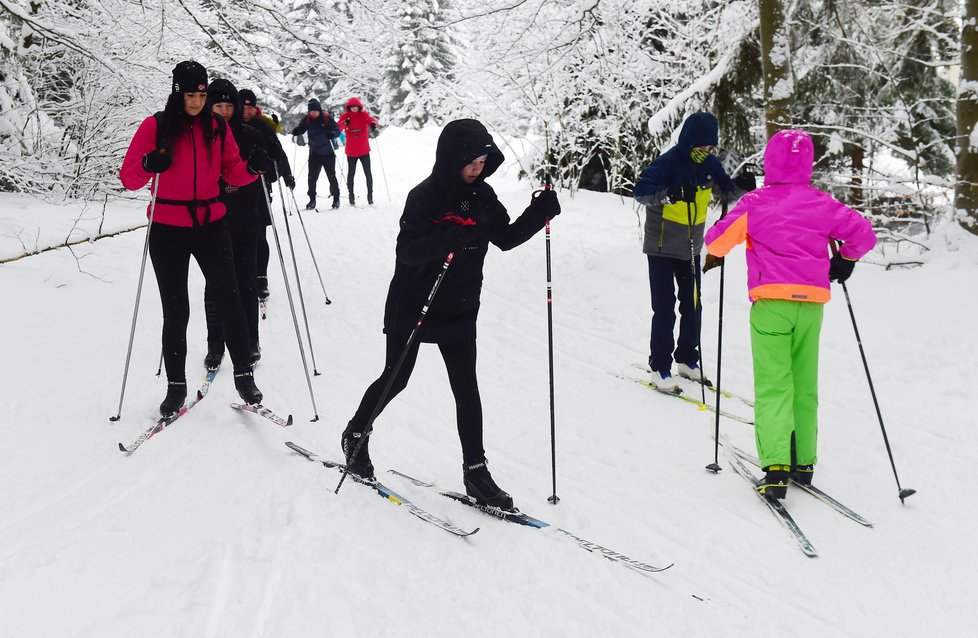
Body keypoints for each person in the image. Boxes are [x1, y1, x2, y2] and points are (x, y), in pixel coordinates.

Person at [341, 119, 561, 511]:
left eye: (482, 161)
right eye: (470, 162)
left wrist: (539, 212)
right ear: (450, 160)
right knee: (397, 378)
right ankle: (356, 433)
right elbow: (406, 250)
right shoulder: (424, 196)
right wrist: (445, 237)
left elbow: (505, 238)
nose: (477, 169)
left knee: (466, 389)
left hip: (459, 306)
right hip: (415, 304)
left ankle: (475, 471)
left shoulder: (484, 196)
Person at [704, 129, 877, 498]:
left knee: (773, 386)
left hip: (771, 305)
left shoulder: (756, 202)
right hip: (811, 305)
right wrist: (844, 260)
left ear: (770, 162)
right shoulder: (822, 203)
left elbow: (715, 242)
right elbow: (863, 234)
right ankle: (804, 463)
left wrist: (732, 208)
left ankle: (777, 468)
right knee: (804, 384)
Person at [119, 61, 267, 415]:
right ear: (177, 93)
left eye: (202, 95)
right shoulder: (156, 126)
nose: (198, 102)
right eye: (191, 95)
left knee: (229, 297)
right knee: (176, 309)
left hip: (210, 224)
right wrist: (149, 165)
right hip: (168, 227)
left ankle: (244, 375)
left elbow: (230, 169)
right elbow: (128, 177)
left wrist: (251, 168)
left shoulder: (215, 126)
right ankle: (175, 387)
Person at [633, 112, 752, 392]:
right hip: (661, 247)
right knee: (664, 309)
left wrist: (741, 186)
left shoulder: (710, 165)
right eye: (701, 147)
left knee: (693, 306)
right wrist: (669, 194)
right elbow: (641, 191)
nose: (707, 152)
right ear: (688, 142)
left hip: (691, 248)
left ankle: (687, 359)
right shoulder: (667, 163)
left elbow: (726, 191)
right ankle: (660, 368)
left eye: (710, 148)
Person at [202, 79, 265, 370]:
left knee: (246, 284)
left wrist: (265, 163)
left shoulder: (250, 134)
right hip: (212, 222)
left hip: (245, 221)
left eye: (229, 106)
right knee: (215, 285)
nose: (224, 111)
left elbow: (271, 166)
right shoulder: (201, 135)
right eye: (218, 106)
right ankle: (215, 343)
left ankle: (250, 341)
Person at [240, 89, 294, 300]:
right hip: (233, 191)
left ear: (255, 108)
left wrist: (286, 174)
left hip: (259, 190)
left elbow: (278, 152)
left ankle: (261, 278)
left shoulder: (263, 126)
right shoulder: (228, 126)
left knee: (259, 235)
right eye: (243, 107)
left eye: (249, 107)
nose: (246, 111)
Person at [290, 98, 341, 210]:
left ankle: (336, 199)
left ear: (319, 110)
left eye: (315, 111)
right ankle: (312, 200)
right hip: (314, 152)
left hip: (328, 152)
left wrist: (332, 134)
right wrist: (297, 131)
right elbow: (301, 128)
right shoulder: (307, 119)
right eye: (311, 111)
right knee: (312, 178)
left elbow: (338, 130)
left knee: (331, 176)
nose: (312, 113)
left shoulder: (327, 118)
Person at [338, 97, 378, 205]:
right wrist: (344, 123)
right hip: (351, 151)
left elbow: (372, 121)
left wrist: (374, 125)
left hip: (364, 149)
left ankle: (370, 195)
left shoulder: (364, 115)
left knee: (368, 173)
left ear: (359, 107)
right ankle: (351, 195)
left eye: (356, 107)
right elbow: (338, 128)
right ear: (349, 108)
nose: (354, 109)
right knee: (351, 174)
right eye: (352, 107)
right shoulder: (345, 116)